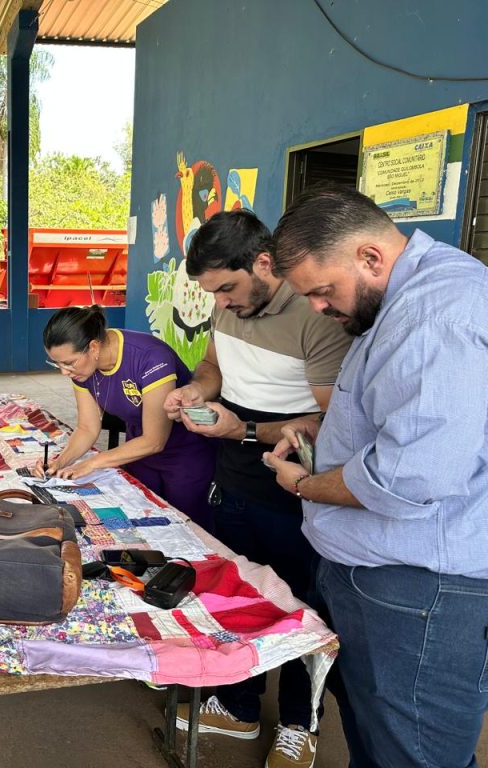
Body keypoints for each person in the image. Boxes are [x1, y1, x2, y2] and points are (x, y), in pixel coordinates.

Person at [263, 187, 488, 768]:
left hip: (419, 590)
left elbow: (408, 477)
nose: (318, 308)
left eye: (322, 291)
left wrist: (303, 484)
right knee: (380, 737)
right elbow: (401, 425)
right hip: (387, 576)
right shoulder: (404, 301)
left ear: (369, 257)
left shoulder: (435, 316)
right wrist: (324, 437)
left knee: (412, 752)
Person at [163, 210, 351, 768]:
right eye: (212, 293)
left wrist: (242, 429)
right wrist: (195, 392)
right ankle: (240, 705)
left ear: (263, 263)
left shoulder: (317, 316)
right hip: (233, 477)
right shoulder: (227, 307)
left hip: (295, 487)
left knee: (301, 610)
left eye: (227, 288)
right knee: (238, 596)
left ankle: (299, 724)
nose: (220, 302)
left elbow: (332, 424)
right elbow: (212, 367)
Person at [40, 305, 216, 530]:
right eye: (56, 363)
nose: (64, 372)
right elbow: (87, 428)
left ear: (93, 347)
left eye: (68, 363)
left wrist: (92, 463)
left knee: (189, 528)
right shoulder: (83, 370)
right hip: (136, 451)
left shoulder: (149, 357)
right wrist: (58, 463)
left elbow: (154, 440)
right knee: (142, 520)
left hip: (185, 453)